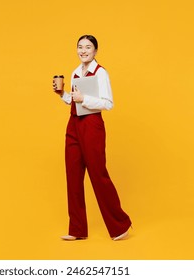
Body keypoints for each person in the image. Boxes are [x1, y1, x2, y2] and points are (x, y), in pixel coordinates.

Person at [53, 35, 132, 241]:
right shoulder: (75, 72)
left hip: (92, 125)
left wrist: (84, 98)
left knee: (98, 174)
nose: (83, 51)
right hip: (74, 124)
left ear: (95, 51)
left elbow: (108, 103)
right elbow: (73, 100)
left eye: (88, 47)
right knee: (73, 174)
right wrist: (62, 94)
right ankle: (77, 229)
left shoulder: (101, 73)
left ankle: (120, 225)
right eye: (80, 47)